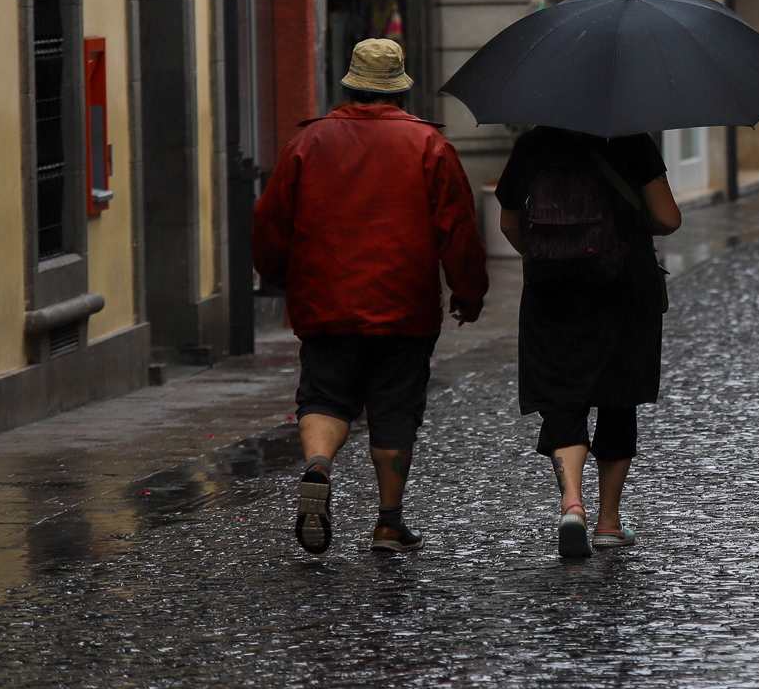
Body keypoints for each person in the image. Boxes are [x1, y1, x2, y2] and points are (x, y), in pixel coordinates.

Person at [254, 38, 488, 556]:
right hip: (404, 307)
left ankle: (318, 467)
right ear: (401, 89)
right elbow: (458, 228)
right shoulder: (430, 146)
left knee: (323, 395)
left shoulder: (306, 144)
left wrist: (277, 275)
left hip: (325, 303)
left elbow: (270, 223)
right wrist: (468, 293)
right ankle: (388, 521)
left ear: (350, 84)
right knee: (395, 407)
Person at [496, 128, 681, 559]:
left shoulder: (532, 143)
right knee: (618, 399)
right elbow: (668, 218)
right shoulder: (631, 141)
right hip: (623, 289)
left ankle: (571, 505)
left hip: (551, 292)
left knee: (563, 398)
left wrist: (546, 253)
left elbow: (508, 222)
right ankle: (609, 523)